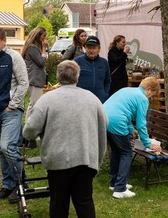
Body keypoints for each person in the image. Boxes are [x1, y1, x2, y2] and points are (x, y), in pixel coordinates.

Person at [23, 60, 107, 218]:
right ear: (78, 77)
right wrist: (98, 158)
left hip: (58, 161)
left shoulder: (47, 100)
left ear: (57, 76)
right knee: (84, 202)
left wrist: (29, 135)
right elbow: (104, 125)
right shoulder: (92, 98)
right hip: (85, 159)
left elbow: (31, 129)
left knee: (58, 202)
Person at [0, 27, 29, 203]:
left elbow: (24, 83)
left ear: (4, 40)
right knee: (1, 150)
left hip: (10, 111)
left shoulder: (14, 57)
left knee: (8, 147)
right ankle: (8, 184)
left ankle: (21, 184)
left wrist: (13, 105)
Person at [103, 76, 162, 198]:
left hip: (104, 119)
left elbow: (123, 110)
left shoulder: (127, 90)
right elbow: (141, 124)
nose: (150, 98)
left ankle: (114, 183)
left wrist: (131, 130)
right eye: (153, 95)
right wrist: (148, 143)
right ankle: (120, 189)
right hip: (117, 122)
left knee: (116, 150)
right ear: (149, 89)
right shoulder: (142, 99)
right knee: (126, 152)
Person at [21, 26, 48, 119]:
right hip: (34, 79)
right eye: (44, 36)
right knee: (35, 104)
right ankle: (29, 126)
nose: (45, 38)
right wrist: (44, 49)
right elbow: (41, 62)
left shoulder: (32, 47)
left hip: (35, 79)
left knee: (33, 103)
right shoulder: (32, 47)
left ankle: (30, 126)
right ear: (38, 35)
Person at [74, 36, 111, 104]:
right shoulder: (77, 61)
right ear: (85, 48)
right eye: (89, 48)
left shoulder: (104, 62)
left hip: (100, 100)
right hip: (81, 100)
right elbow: (71, 80)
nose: (91, 51)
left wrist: (105, 93)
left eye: (94, 48)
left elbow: (108, 80)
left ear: (99, 49)